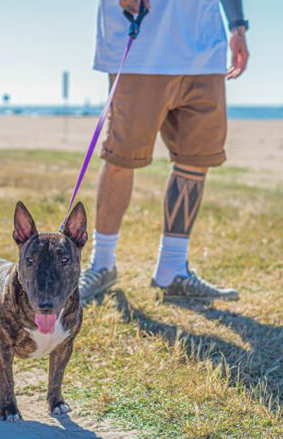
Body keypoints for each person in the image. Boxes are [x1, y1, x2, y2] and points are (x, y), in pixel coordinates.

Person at [79, 0, 250, 304]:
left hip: (205, 51)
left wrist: (238, 25)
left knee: (195, 161)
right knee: (121, 158)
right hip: (142, 49)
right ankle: (102, 264)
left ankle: (172, 269)